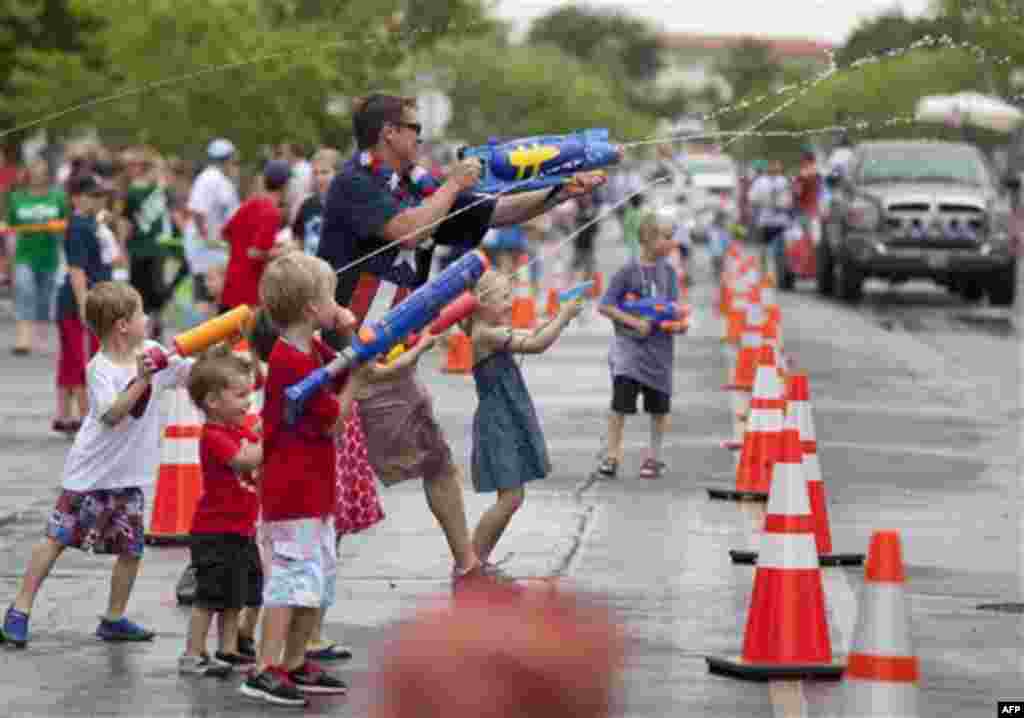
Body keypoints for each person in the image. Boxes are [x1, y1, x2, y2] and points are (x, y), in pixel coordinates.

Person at [317, 92, 604, 591]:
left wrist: (560, 192)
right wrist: (451, 183)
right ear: (388, 132)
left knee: (435, 458)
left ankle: (467, 562)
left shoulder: (419, 183)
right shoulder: (354, 183)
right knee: (331, 482)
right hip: (344, 353)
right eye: (413, 128)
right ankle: (293, 594)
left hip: (390, 350)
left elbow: (495, 212)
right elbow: (407, 232)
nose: (419, 137)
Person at [1, 281, 193, 647]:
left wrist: (221, 350)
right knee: (56, 539)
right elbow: (111, 414)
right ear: (122, 325)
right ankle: (20, 608)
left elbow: (190, 374)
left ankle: (114, 617)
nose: (147, 318)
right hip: (89, 474)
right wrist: (143, 378)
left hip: (128, 475)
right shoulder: (100, 367)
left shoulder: (153, 351)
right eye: (140, 314)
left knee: (131, 549)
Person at [240, 252, 362, 707]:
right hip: (292, 495)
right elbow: (334, 416)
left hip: (313, 490)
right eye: (331, 297)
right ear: (312, 309)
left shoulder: (309, 348)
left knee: (317, 579)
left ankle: (294, 661)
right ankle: (265, 668)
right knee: (290, 583)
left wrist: (354, 341)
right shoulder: (292, 362)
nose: (337, 303)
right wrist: (360, 378)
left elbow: (344, 365)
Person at [464, 270, 582, 566]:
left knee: (513, 497)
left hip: (507, 416)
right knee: (511, 497)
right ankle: (470, 558)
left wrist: (554, 318)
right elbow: (537, 344)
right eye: (504, 297)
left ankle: (477, 558)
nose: (510, 303)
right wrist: (564, 317)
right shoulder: (484, 333)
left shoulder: (489, 329)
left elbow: (532, 335)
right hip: (498, 420)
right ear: (481, 303)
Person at [178, 346, 263, 676]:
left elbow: (252, 439)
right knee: (209, 597)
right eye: (241, 395)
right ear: (213, 402)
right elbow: (244, 460)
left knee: (234, 595)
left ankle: (227, 650)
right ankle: (192, 653)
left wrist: (259, 433)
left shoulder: (236, 429)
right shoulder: (213, 435)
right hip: (215, 532)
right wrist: (270, 438)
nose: (249, 402)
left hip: (240, 528)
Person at [593, 207, 681, 480]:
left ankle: (654, 458)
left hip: (660, 354)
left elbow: (673, 308)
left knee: (659, 409)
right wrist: (633, 322)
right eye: (667, 236)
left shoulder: (669, 273)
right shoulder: (627, 271)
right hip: (629, 353)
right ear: (649, 238)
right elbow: (605, 305)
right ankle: (612, 456)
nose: (671, 242)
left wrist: (676, 323)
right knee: (620, 407)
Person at [53, 174, 116, 435]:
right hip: (78, 301)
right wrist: (83, 304)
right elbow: (76, 269)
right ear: (76, 198)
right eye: (93, 196)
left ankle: (64, 416)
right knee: (81, 360)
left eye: (101, 195)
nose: (99, 200)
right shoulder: (78, 227)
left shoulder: (90, 222)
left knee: (71, 359)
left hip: (88, 297)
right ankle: (86, 417)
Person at [6, 158, 66, 354]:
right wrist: (8, 258)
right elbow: (11, 228)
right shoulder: (16, 198)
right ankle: (23, 338)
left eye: (42, 171)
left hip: (49, 255)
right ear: (28, 174)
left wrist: (60, 228)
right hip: (24, 254)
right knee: (25, 289)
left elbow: (68, 223)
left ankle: (41, 331)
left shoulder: (58, 197)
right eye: (34, 170)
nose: (37, 174)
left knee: (45, 297)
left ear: (47, 174)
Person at [219, 159, 292, 312]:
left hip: (231, 283)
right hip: (248, 293)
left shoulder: (251, 203)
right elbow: (255, 252)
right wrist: (284, 251)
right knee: (246, 335)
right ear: (285, 185)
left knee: (224, 335)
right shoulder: (272, 212)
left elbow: (226, 233)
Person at [120, 147, 174, 340]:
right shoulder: (133, 191)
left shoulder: (162, 190)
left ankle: (156, 323)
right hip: (138, 247)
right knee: (138, 290)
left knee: (157, 290)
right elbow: (125, 221)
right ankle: (141, 327)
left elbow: (173, 213)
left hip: (157, 248)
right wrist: (121, 246)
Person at [185, 138, 240, 318]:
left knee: (215, 295)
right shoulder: (209, 178)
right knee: (206, 295)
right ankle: (203, 341)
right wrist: (205, 236)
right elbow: (197, 211)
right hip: (207, 250)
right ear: (228, 158)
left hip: (215, 248)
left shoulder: (220, 179)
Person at [291, 147, 341, 258]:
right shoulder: (307, 205)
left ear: (338, 174)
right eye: (315, 173)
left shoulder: (349, 204)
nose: (319, 178)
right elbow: (298, 241)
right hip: (312, 270)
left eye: (325, 172)